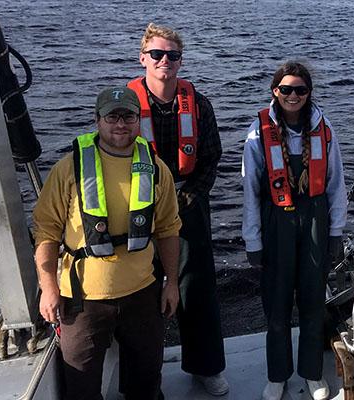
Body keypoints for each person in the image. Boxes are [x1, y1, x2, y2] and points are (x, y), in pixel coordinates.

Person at [34, 87, 181, 400]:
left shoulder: (157, 169)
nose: (120, 123)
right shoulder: (68, 169)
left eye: (128, 115)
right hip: (83, 299)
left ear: (138, 120)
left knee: (146, 382)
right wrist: (48, 288)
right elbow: (46, 231)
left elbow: (168, 228)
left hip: (143, 293)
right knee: (81, 385)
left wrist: (171, 283)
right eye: (112, 116)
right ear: (97, 120)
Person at [127, 23, 228, 395]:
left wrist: (190, 196)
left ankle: (206, 367)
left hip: (188, 205)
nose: (164, 61)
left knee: (196, 287)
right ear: (143, 59)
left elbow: (212, 157)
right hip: (138, 208)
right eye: (157, 54)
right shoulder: (125, 107)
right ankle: (142, 378)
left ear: (180, 61)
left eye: (172, 55)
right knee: (139, 293)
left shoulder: (198, 104)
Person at [242, 62, 346, 400]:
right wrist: (253, 240)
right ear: (275, 91)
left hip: (315, 219)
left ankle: (313, 373)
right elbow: (250, 193)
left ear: (309, 93)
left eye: (300, 89)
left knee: (314, 301)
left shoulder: (324, 127)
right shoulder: (258, 133)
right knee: (277, 302)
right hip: (277, 221)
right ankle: (278, 374)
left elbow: (336, 185)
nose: (293, 95)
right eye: (285, 89)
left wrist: (336, 233)